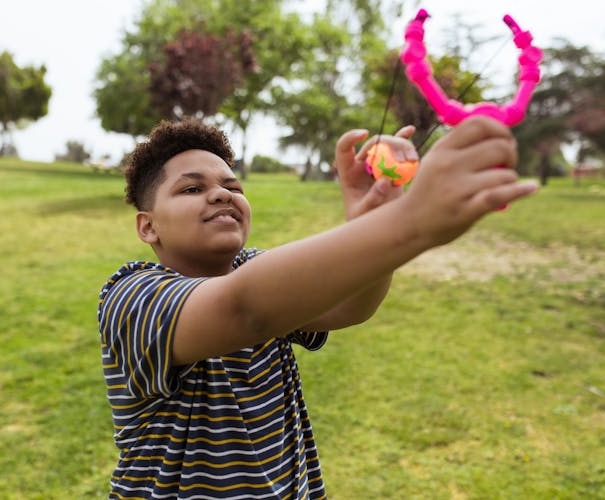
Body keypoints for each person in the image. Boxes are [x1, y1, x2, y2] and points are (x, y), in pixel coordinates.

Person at [97, 116, 537, 499]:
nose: (221, 195)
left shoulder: (258, 270)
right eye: (192, 188)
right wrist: (410, 223)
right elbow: (243, 310)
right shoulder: (131, 298)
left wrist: (371, 224)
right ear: (148, 226)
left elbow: (351, 306)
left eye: (233, 186)